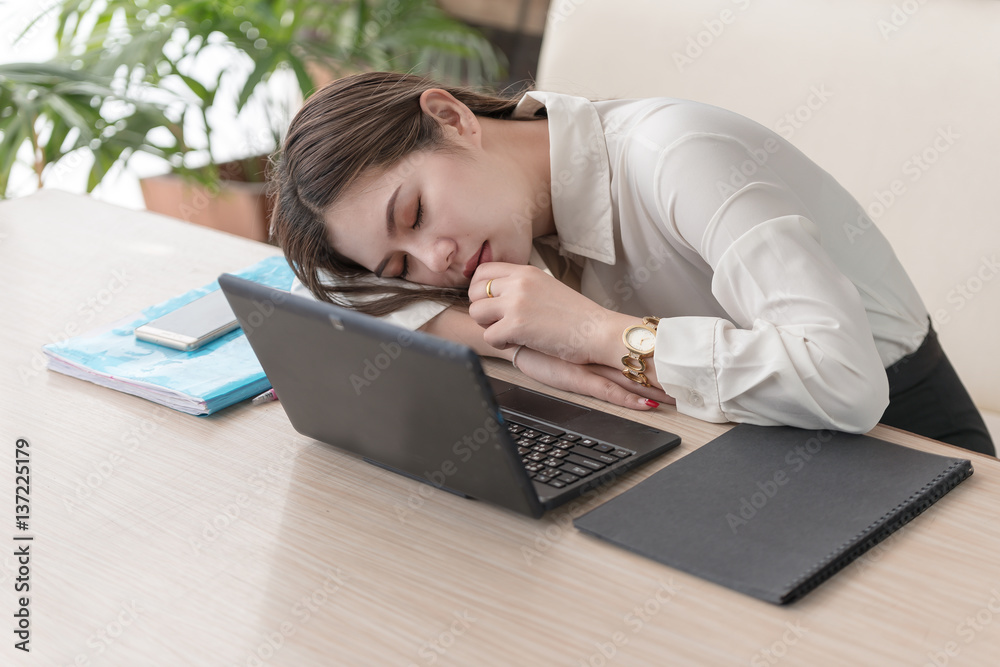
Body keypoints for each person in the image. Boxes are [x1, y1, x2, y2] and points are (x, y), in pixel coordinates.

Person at [269, 71, 994, 456]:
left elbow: (846, 384)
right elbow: (332, 278)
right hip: (747, 448)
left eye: (416, 213)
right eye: (401, 262)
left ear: (453, 118)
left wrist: (594, 335)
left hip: (908, 450)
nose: (437, 262)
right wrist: (516, 346)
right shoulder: (514, 208)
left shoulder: (674, 156)